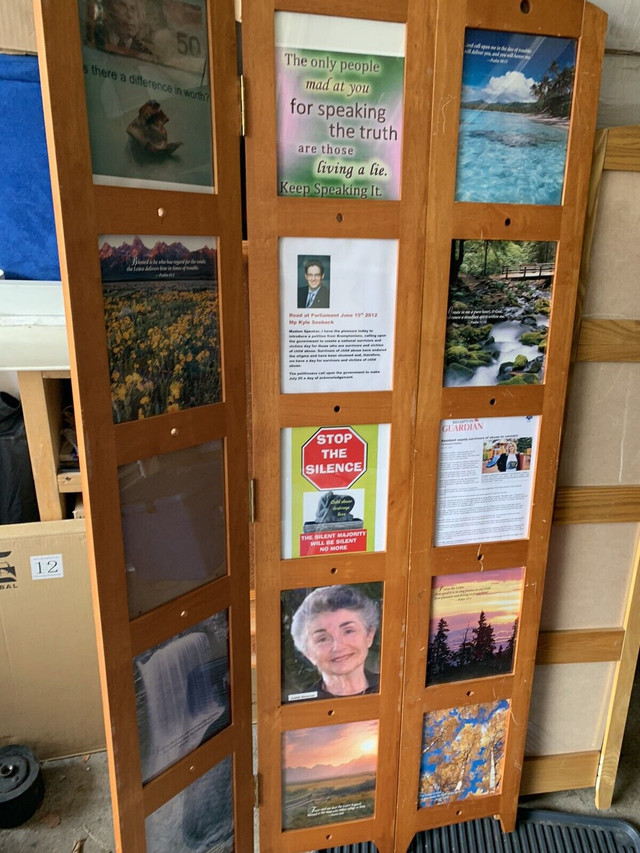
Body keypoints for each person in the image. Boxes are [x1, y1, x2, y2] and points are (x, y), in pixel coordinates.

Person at [290, 585, 380, 698]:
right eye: (322, 639)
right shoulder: (298, 708)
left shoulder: (396, 689)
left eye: (348, 631)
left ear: (369, 636)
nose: (338, 647)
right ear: (308, 653)